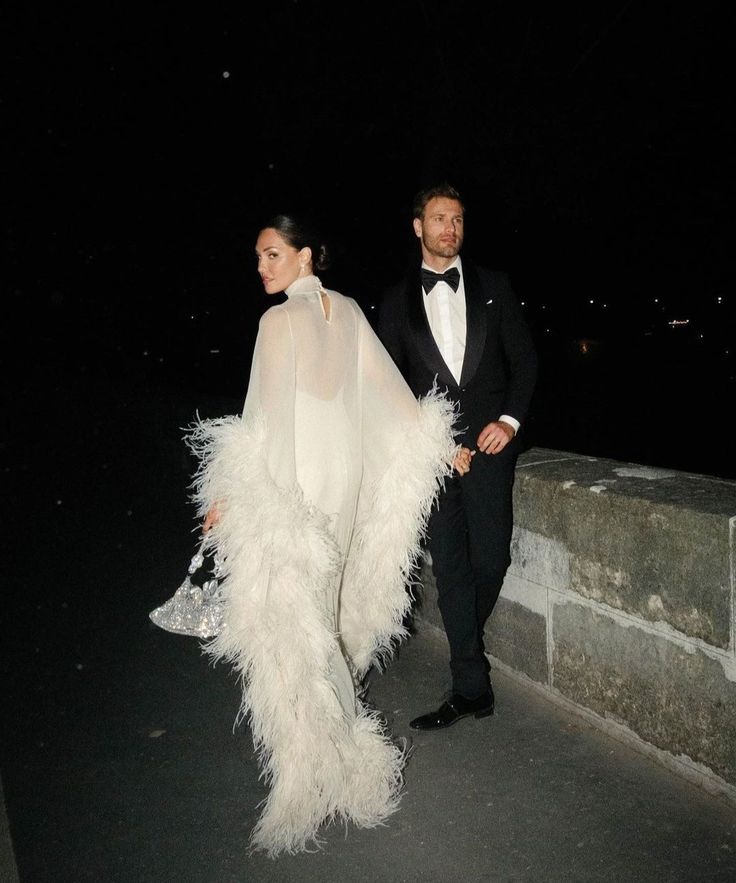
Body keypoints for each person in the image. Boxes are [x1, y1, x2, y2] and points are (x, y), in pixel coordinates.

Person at [149, 213, 464, 857]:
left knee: (298, 627)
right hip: (344, 476)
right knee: (326, 614)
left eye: (271, 255)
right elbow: (388, 389)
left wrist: (230, 493)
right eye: (259, 258)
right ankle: (341, 756)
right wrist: (441, 444)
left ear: (305, 256)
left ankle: (326, 769)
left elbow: (263, 415)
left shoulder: (276, 322)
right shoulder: (346, 310)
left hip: (301, 482)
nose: (262, 268)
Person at [377, 183, 538, 731]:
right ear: (417, 226)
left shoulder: (496, 286)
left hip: (491, 452)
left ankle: (467, 655)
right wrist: (439, 446)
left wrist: (508, 423)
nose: (451, 228)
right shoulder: (395, 302)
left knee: (491, 560)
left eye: (459, 219)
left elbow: (526, 364)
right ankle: (472, 685)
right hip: (432, 457)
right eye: (440, 219)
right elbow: (389, 391)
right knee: (449, 570)